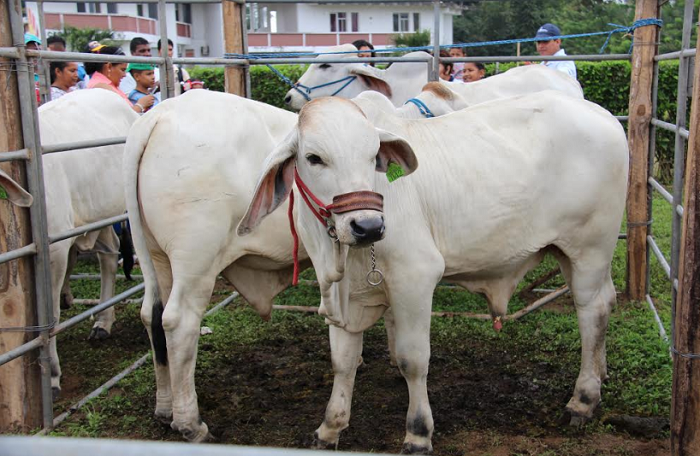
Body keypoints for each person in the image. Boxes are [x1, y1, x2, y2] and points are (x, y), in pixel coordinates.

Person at [85, 42, 154, 114]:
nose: (124, 75)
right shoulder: (101, 87)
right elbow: (122, 117)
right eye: (122, 70)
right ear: (109, 67)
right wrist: (140, 105)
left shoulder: (106, 85)